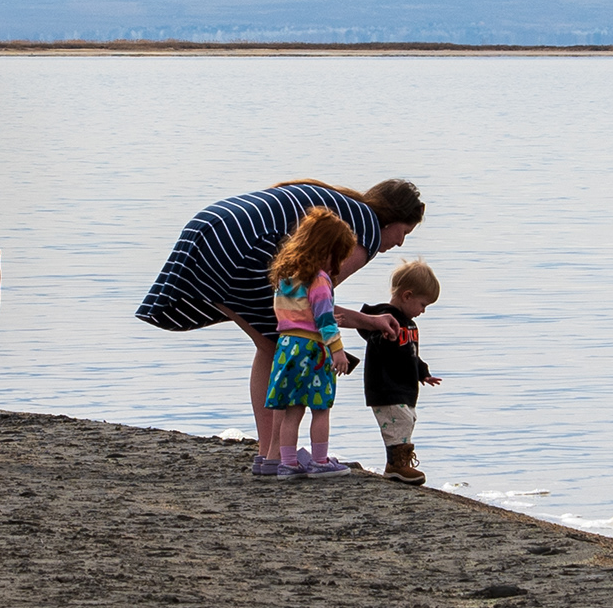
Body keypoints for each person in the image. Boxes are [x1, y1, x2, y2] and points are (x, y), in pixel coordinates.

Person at [135, 177, 426, 447]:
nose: (400, 242)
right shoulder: (366, 231)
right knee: (282, 342)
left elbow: (304, 300)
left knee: (270, 342)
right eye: (404, 232)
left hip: (209, 226)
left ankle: (271, 449)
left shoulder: (345, 206)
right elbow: (313, 305)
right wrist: (353, 334)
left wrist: (368, 321)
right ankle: (276, 450)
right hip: (237, 243)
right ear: (390, 220)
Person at [254, 211, 363, 479]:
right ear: (328, 251)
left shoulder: (286, 277)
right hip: (312, 351)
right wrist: (337, 351)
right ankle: (320, 460)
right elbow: (325, 321)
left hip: (286, 347)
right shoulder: (320, 280)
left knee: (293, 409)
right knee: (320, 407)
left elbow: (294, 316)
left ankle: (287, 463)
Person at [360, 259, 440, 484]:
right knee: (400, 422)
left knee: (407, 420)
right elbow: (371, 338)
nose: (423, 311)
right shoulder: (385, 320)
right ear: (407, 296)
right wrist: (384, 337)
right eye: (422, 304)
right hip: (386, 386)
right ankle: (397, 464)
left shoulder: (409, 325)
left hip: (404, 387)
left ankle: (397, 463)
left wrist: (422, 372)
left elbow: (410, 354)